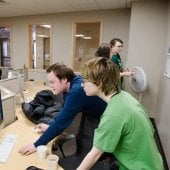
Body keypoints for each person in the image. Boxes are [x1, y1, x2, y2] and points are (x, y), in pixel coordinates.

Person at [77, 57, 163, 170]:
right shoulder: (124, 96)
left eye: (84, 81)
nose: (82, 85)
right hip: (154, 162)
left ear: (99, 83)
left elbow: (94, 155)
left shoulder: (113, 114)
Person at [18, 63, 107, 155]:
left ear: (64, 79)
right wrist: (50, 127)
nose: (50, 85)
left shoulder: (76, 92)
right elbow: (63, 116)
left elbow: (60, 123)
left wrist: (36, 145)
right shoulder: (71, 84)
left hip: (106, 123)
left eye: (52, 82)